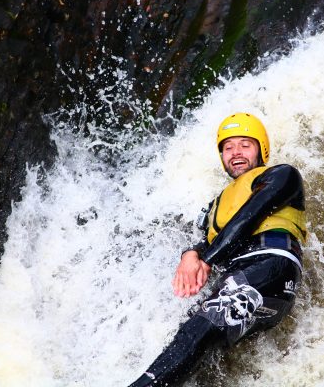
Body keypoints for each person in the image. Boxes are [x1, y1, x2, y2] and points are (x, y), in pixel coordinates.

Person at [129, 113, 307, 386]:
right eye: (228, 147)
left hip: (272, 267)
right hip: (240, 278)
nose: (236, 152)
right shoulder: (216, 205)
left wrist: (207, 259)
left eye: (245, 144)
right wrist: (190, 254)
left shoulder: (283, 174)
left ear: (262, 149)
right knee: (192, 336)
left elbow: (250, 215)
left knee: (204, 325)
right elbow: (207, 243)